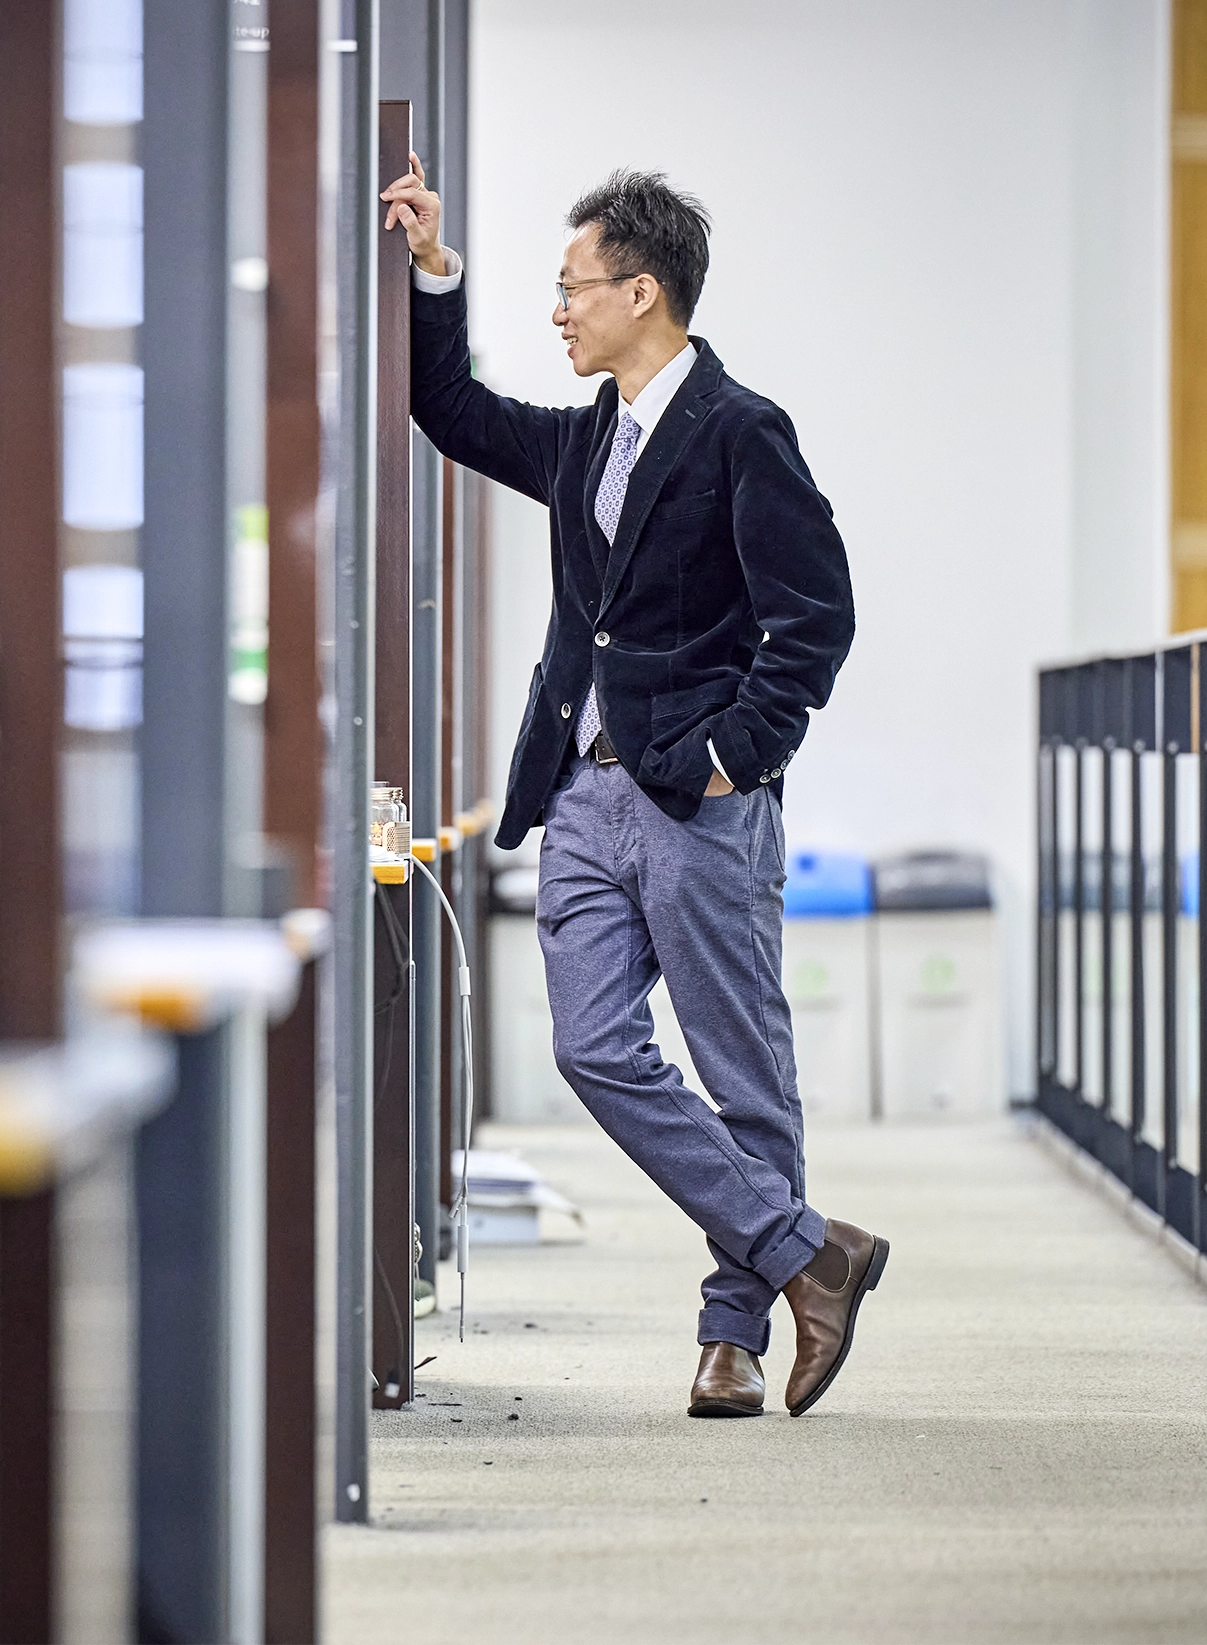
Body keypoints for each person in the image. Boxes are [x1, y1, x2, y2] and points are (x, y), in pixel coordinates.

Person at [380, 159, 884, 1419]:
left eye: (572, 288)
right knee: (592, 1045)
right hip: (583, 794)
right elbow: (446, 408)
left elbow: (816, 619)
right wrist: (429, 268)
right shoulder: (582, 438)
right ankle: (810, 1252)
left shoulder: (740, 430)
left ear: (642, 292)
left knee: (740, 1067)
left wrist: (734, 753)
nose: (558, 310)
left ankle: (734, 1336)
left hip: (697, 799)